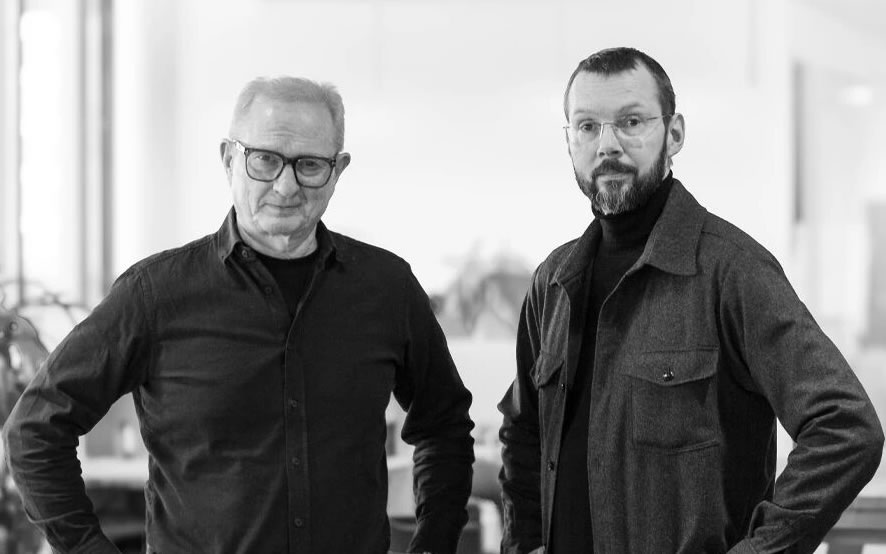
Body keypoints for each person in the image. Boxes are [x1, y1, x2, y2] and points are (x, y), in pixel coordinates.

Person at [2, 76, 475, 554]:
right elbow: (35, 429)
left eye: (310, 165)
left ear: (338, 171)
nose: (286, 186)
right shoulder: (154, 294)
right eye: (264, 160)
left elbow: (445, 425)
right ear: (229, 159)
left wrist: (433, 544)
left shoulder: (387, 289)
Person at [497, 47, 884, 554]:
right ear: (569, 140)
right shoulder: (552, 282)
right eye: (587, 126)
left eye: (631, 122)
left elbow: (846, 427)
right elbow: (524, 434)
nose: (607, 145)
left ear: (674, 133)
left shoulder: (733, 271)